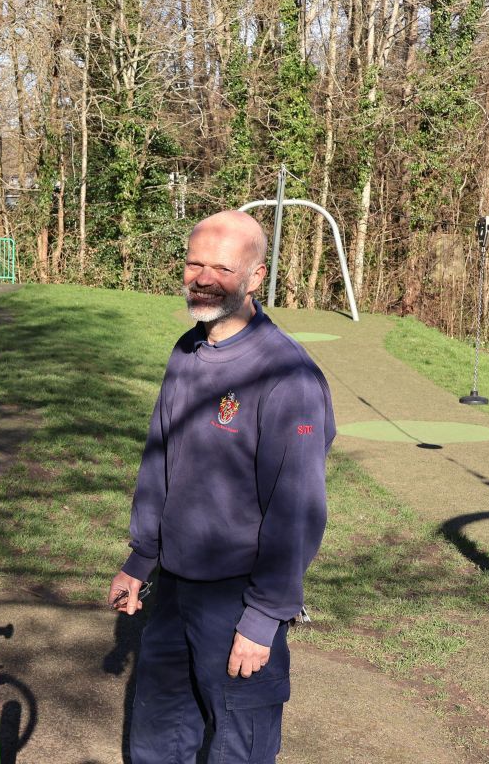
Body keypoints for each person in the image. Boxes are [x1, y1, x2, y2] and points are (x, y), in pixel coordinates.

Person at [108, 210, 334, 763]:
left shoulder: (287, 377)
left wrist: (264, 616)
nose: (204, 278)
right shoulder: (187, 351)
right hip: (173, 588)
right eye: (195, 264)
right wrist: (140, 559)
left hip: (239, 597)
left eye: (222, 268)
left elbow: (296, 510)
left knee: (239, 747)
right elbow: (161, 461)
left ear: (256, 277)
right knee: (157, 740)